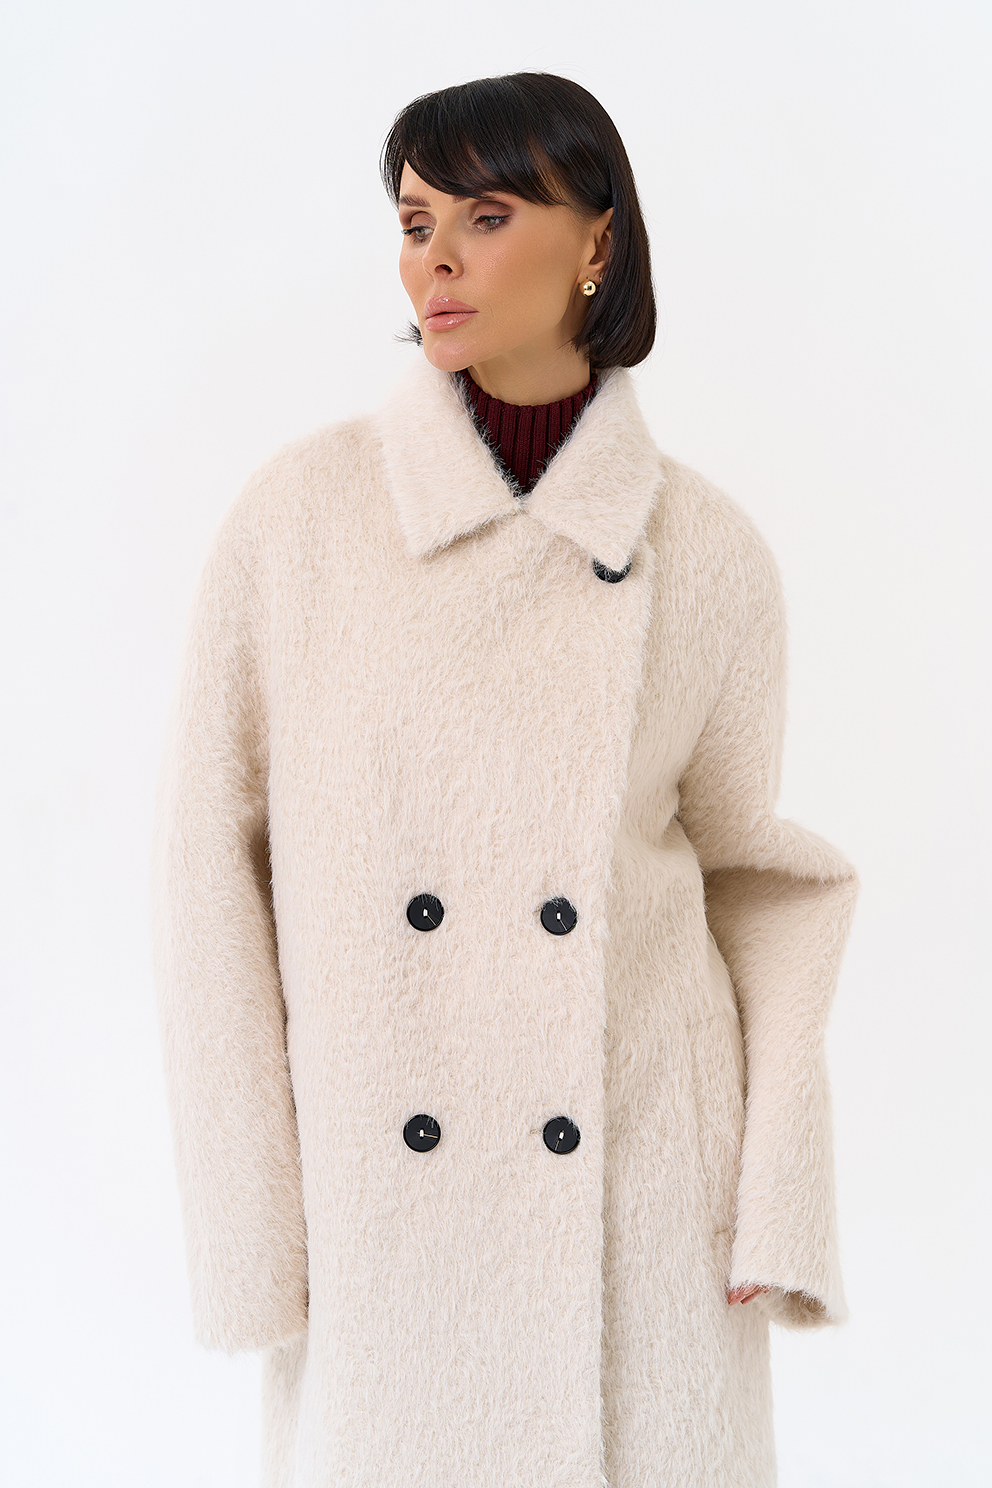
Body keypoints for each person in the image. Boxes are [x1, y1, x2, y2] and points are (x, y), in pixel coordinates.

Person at [152, 71, 859, 1488]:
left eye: (486, 216)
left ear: (597, 241)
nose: (437, 261)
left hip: (641, 1216)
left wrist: (770, 1197)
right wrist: (252, 1237)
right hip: (383, 1213)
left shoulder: (708, 552)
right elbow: (204, 874)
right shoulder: (301, 522)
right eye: (416, 223)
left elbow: (755, 882)